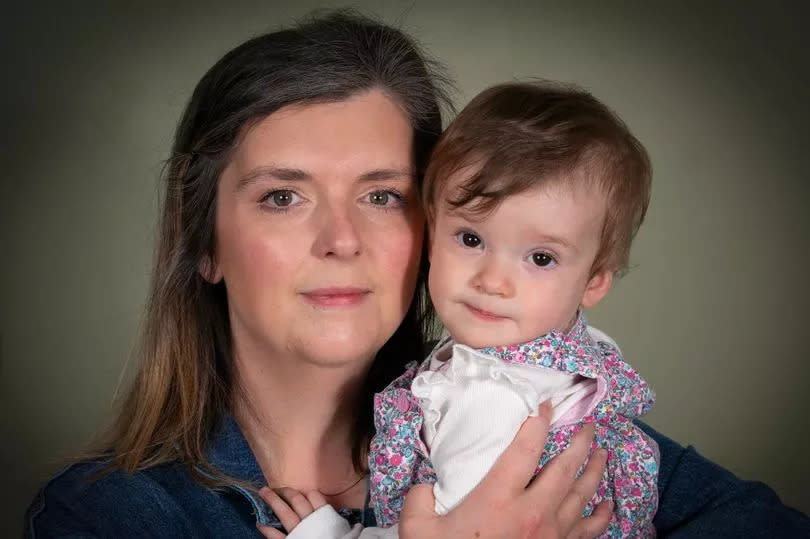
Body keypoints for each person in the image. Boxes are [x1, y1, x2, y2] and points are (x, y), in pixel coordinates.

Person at [24, 10, 810, 539]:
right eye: (284, 196)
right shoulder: (113, 512)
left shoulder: (577, 444)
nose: (341, 239)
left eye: (382, 194)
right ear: (207, 244)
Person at [257, 81, 658, 538]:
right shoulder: (574, 364)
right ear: (431, 228)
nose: (492, 280)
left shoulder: (491, 395)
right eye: (471, 239)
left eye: (541, 258)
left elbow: (443, 531)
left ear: (594, 281)